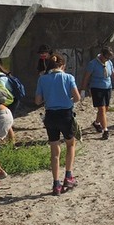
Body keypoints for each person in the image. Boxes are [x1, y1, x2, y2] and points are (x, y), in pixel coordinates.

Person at [34, 52, 81, 196]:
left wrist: (50, 97)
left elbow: (37, 101)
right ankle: (68, 176)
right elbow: (77, 97)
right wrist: (67, 100)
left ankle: (56, 184)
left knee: (54, 151)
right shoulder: (68, 77)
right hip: (65, 114)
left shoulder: (42, 79)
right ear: (63, 65)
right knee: (70, 144)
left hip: (50, 116)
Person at [80, 46, 114, 140]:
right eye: (106, 57)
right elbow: (86, 77)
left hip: (107, 87)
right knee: (101, 109)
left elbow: (112, 73)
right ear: (101, 54)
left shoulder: (109, 63)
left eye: (109, 58)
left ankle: (96, 123)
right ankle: (105, 130)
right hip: (97, 88)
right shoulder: (92, 64)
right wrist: (83, 90)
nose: (107, 59)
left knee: (105, 109)